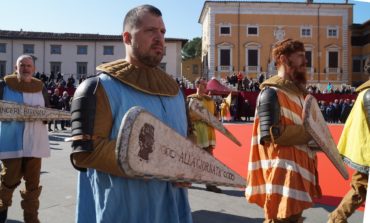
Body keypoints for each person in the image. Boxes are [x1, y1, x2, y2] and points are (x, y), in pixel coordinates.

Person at [69, 5, 192, 222]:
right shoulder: (98, 88)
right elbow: (86, 152)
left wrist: (188, 164)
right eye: (150, 31)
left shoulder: (176, 92)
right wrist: (158, 162)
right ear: (127, 37)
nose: (159, 38)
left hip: (174, 211)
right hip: (121, 212)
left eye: (162, 32)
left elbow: (187, 138)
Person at [245, 39, 322, 222]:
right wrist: (310, 134)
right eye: (300, 57)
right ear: (284, 60)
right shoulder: (271, 93)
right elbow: (272, 134)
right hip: (280, 177)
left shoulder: (300, 95)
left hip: (299, 174)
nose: (305, 62)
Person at [0, 55, 50, 223]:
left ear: (34, 69)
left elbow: (47, 112)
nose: (26, 68)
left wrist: (43, 116)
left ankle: (31, 219)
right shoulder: (4, 85)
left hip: (35, 143)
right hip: (12, 142)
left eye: (29, 65)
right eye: (22, 65)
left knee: (33, 187)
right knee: (8, 182)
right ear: (16, 67)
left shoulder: (41, 87)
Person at [327, 57, 370, 223]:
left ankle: (336, 219)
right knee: (359, 189)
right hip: (367, 153)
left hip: (364, 151)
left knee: (358, 189)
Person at [187, 77, 222, 193]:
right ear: (196, 86)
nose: (204, 88)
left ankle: (210, 184)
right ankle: (186, 179)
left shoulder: (210, 100)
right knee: (191, 159)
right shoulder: (190, 100)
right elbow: (186, 117)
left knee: (209, 159)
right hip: (196, 132)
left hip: (208, 133)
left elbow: (216, 115)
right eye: (201, 85)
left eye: (205, 86)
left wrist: (215, 120)